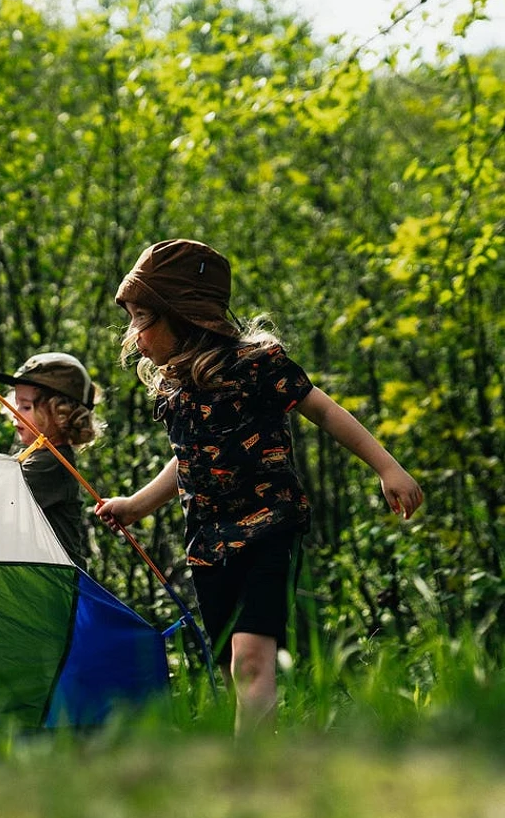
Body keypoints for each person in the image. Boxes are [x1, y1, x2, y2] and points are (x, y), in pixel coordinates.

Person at [95, 238, 423, 734]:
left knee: (251, 657)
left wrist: (388, 467)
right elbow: (186, 461)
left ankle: (253, 767)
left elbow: (324, 410)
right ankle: (256, 749)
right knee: (232, 667)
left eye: (143, 318)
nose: (134, 335)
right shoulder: (174, 390)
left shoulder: (257, 365)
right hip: (209, 543)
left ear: (183, 315)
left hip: (270, 528)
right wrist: (136, 505)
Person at [0, 352, 102, 570]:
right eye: (16, 403)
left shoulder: (52, 462)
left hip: (59, 584)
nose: (15, 413)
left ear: (61, 414)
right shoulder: (38, 455)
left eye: (26, 407)